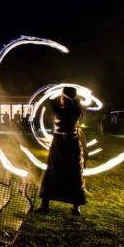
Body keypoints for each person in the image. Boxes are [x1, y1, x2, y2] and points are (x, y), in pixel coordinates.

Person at [35, 86, 87, 216]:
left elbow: (49, 102)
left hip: (64, 142)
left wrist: (60, 95)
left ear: (64, 97)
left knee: (61, 170)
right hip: (67, 142)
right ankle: (73, 206)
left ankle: (47, 204)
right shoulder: (78, 109)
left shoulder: (64, 109)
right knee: (68, 171)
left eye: (62, 96)